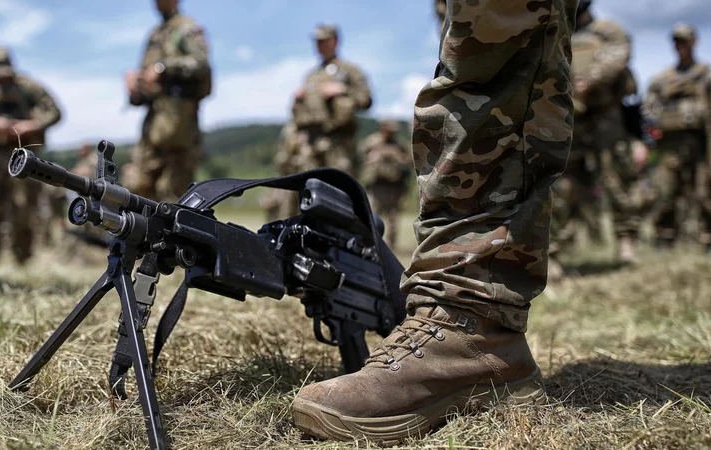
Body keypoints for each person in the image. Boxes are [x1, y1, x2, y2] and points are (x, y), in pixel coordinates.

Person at [291, 0, 576, 442]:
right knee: (474, 59)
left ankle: (468, 322)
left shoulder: (346, 72)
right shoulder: (309, 75)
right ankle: (477, 333)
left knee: (490, 64)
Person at [550, 0, 635, 270]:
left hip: (605, 116)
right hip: (570, 116)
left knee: (615, 179)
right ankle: (553, 252)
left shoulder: (607, 29)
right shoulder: (557, 33)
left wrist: (590, 80)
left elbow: (619, 55)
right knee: (561, 184)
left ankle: (626, 240)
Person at [0, 47, 61, 266]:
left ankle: (23, 257)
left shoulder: (28, 86)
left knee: (24, 207)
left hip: (24, 154)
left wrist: (31, 125)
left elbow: (55, 111)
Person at [126, 0, 212, 202]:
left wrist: (162, 68)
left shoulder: (187, 28)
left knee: (173, 198)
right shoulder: (155, 34)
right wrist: (135, 84)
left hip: (179, 127)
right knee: (138, 190)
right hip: (153, 127)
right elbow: (147, 82)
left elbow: (201, 63)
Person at [644, 23, 711, 247]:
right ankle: (664, 238)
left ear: (695, 42)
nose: (680, 46)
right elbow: (648, 109)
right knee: (666, 191)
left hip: (702, 143)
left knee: (704, 191)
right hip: (670, 144)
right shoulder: (662, 79)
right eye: (676, 42)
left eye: (684, 41)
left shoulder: (706, 76)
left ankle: (706, 239)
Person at [291, 24, 373, 177]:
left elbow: (366, 100)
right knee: (310, 188)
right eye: (316, 41)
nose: (318, 45)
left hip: (339, 144)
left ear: (334, 41)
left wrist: (343, 89)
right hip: (311, 143)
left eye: (322, 40)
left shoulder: (349, 70)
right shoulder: (311, 75)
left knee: (339, 190)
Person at [358, 120, 411, 250]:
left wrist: (396, 157)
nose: (392, 134)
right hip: (376, 186)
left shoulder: (400, 144)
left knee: (393, 218)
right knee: (372, 215)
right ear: (383, 129)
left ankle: (390, 246)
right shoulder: (372, 141)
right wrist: (374, 157)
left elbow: (409, 160)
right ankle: (369, 242)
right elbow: (360, 155)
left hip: (394, 187)